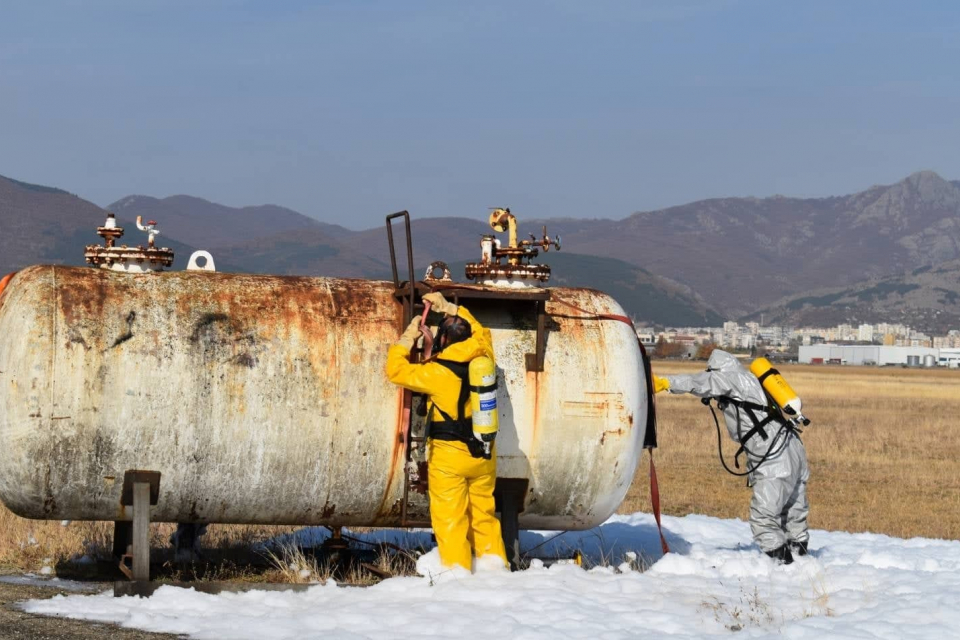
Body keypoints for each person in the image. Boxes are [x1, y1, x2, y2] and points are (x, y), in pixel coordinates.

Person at [386, 291, 508, 571]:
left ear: (443, 339)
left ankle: (458, 576)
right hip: (483, 454)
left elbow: (396, 371)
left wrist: (407, 339)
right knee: (484, 516)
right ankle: (497, 572)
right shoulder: (483, 353)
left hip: (449, 459)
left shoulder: (436, 373)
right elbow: (481, 330)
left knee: (451, 521)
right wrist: (452, 307)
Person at [653, 350, 809, 564]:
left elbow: (698, 382)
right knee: (793, 514)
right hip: (793, 446)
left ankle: (785, 569)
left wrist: (664, 382)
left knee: (763, 519)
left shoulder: (729, 377)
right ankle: (803, 565)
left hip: (774, 455)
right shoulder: (752, 378)